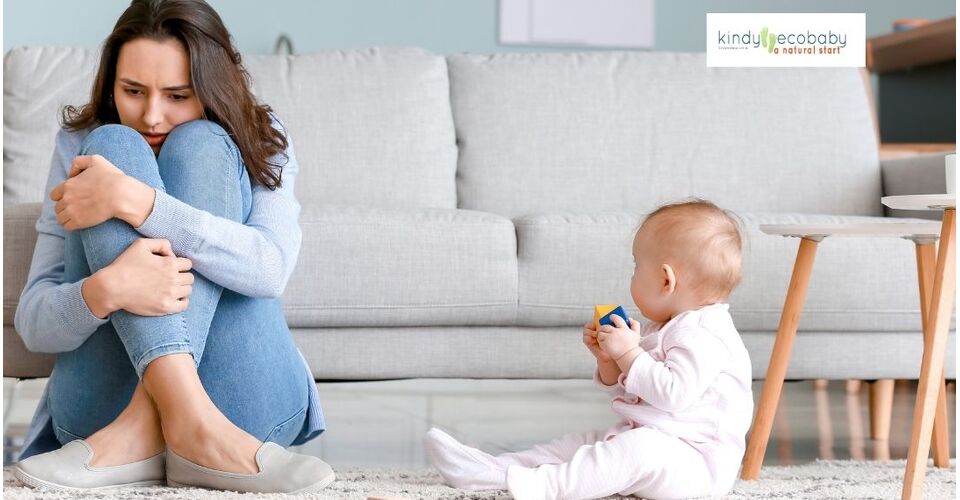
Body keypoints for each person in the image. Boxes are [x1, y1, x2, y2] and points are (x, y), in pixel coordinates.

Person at [12, 0, 333, 493]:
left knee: (202, 144)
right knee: (112, 146)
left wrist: (139, 202)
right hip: (102, 413)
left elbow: (269, 269)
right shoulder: (79, 141)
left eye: (178, 95)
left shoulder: (261, 136)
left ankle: (159, 424)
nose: (153, 116)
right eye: (132, 91)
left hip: (240, 409)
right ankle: (179, 425)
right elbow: (33, 323)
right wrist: (109, 288)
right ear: (110, 83)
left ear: (212, 89)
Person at [425, 199, 754, 499]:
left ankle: (540, 487)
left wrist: (629, 354)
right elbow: (640, 392)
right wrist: (611, 360)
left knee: (635, 451)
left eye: (636, 265)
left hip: (697, 468)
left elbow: (672, 394)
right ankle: (493, 469)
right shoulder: (669, 326)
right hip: (659, 442)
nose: (633, 273)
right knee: (586, 445)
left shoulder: (705, 334)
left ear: (666, 281)